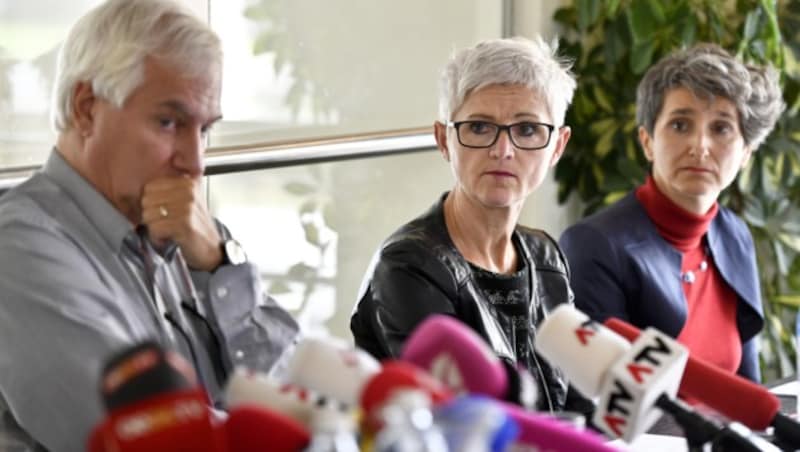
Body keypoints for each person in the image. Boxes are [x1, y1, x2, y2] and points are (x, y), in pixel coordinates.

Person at [0, 1, 299, 450]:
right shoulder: (20, 248)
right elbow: (152, 437)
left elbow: (293, 393)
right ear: (86, 109)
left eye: (203, 131)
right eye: (168, 122)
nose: (195, 163)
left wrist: (221, 265)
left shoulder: (189, 232)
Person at [351, 36, 583, 412]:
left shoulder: (545, 257)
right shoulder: (408, 265)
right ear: (444, 139)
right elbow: (462, 421)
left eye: (527, 130)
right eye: (478, 127)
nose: (502, 150)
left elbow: (580, 407)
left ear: (557, 146)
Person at [559, 44, 784, 382]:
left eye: (721, 128)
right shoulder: (593, 245)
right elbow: (601, 398)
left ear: (746, 153)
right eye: (680, 125)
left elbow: (750, 387)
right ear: (647, 141)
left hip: (727, 434)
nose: (700, 146)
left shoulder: (735, 235)